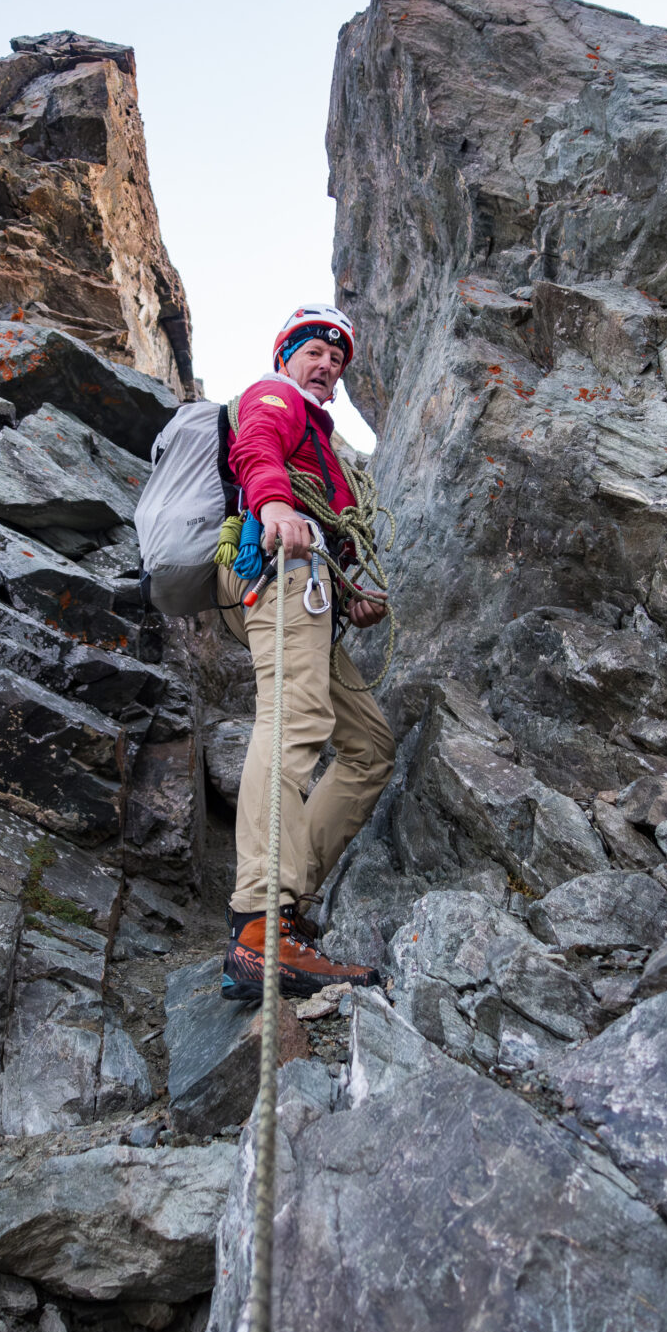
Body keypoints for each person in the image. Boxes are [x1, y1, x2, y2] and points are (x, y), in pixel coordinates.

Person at [218, 305, 396, 1001]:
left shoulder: (323, 443)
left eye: (338, 360)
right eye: (316, 351)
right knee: (294, 722)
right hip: (278, 566)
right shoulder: (275, 396)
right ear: (286, 354)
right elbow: (254, 445)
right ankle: (260, 924)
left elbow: (334, 526)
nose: (327, 367)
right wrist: (274, 507)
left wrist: (354, 589)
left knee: (369, 749)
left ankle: (285, 902)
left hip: (310, 577)